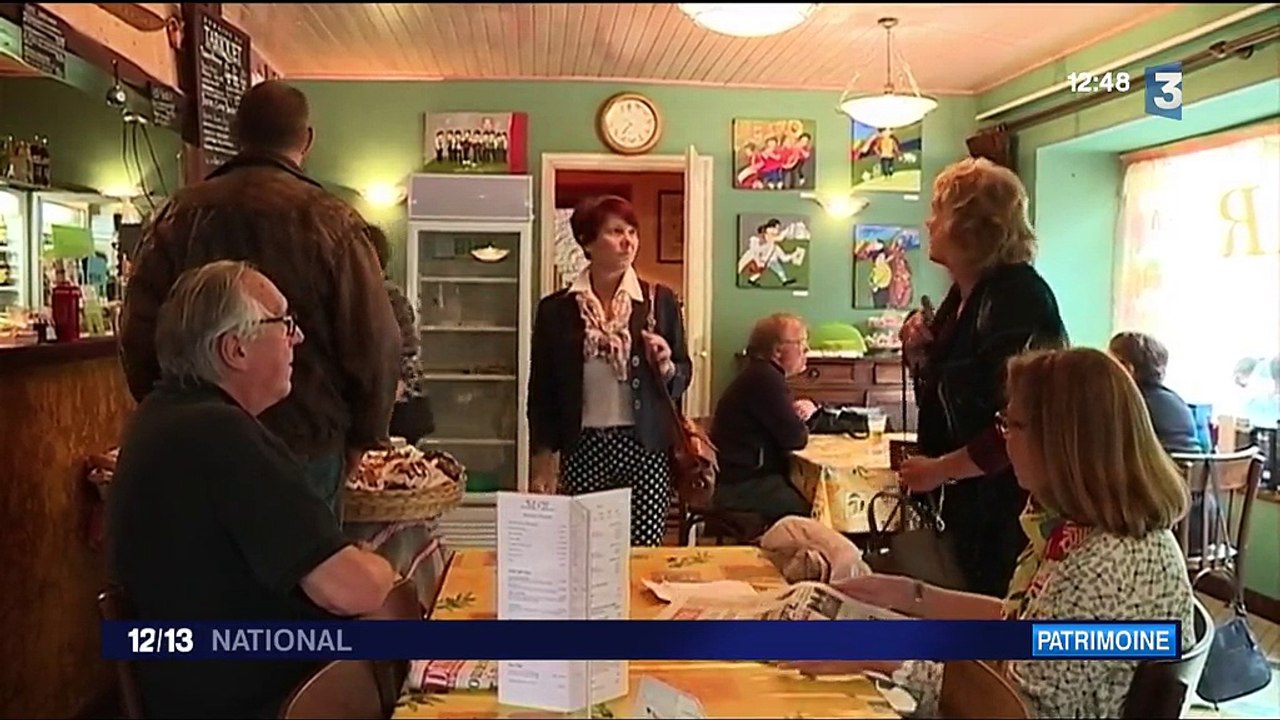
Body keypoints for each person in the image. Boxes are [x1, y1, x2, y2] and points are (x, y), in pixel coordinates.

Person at [786, 347, 1196, 719]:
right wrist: (911, 595)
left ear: (1059, 442)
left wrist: (882, 655)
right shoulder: (1099, 536)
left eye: (1011, 425)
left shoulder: (1105, 564)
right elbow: (1029, 626)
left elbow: (1017, 708)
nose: (1005, 440)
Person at [108, 261, 398, 719]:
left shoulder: (162, 417)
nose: (297, 338)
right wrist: (381, 568)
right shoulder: (219, 435)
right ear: (235, 349)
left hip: (195, 684)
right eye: (284, 322)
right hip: (257, 699)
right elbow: (351, 590)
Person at [119, 80, 400, 517]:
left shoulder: (177, 215)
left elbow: (138, 332)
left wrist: (169, 415)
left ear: (235, 134)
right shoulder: (333, 221)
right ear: (307, 139)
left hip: (199, 441)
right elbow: (376, 341)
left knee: (207, 556)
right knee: (304, 558)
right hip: (306, 441)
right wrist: (364, 437)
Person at [897, 157, 1069, 597]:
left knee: (990, 614)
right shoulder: (965, 295)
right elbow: (949, 391)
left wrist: (940, 470)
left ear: (969, 225)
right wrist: (920, 351)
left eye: (937, 211)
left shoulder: (1016, 296)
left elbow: (1024, 417)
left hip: (1007, 508)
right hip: (971, 504)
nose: (929, 222)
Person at [527, 195, 691, 546]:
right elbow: (541, 390)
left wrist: (665, 365)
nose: (628, 241)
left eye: (632, 231)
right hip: (583, 447)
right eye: (616, 232)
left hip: (644, 448)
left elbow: (683, 373)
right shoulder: (556, 310)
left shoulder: (659, 301)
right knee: (587, 548)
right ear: (587, 241)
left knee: (642, 550)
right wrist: (541, 457)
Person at [709, 313, 816, 529]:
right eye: (801, 343)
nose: (807, 350)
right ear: (777, 351)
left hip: (739, 475)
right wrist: (803, 419)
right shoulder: (765, 379)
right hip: (742, 483)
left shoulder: (759, 374)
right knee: (815, 508)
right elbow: (796, 438)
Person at [366, 225, 434, 444]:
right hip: (392, 403)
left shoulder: (387, 295)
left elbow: (407, 350)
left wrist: (391, 392)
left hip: (400, 406)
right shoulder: (374, 292)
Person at [1107, 331, 1202, 453]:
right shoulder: (1177, 401)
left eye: (1107, 364)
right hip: (1187, 465)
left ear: (1127, 369)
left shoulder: (1128, 405)